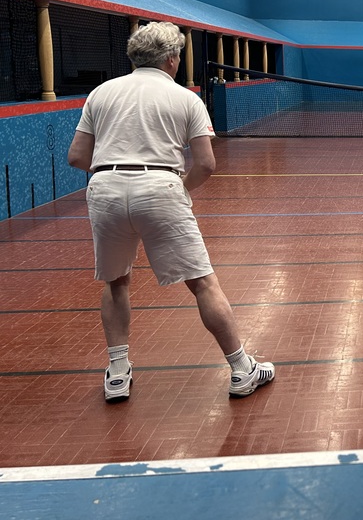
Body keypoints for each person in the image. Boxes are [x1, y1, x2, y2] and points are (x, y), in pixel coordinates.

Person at [67, 22, 275, 402]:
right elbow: (206, 164)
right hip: (160, 187)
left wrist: (116, 174)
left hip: (105, 187)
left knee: (116, 281)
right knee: (203, 283)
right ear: (172, 59)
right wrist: (176, 187)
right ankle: (242, 370)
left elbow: (78, 156)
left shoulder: (101, 92)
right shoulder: (185, 98)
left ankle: (117, 374)